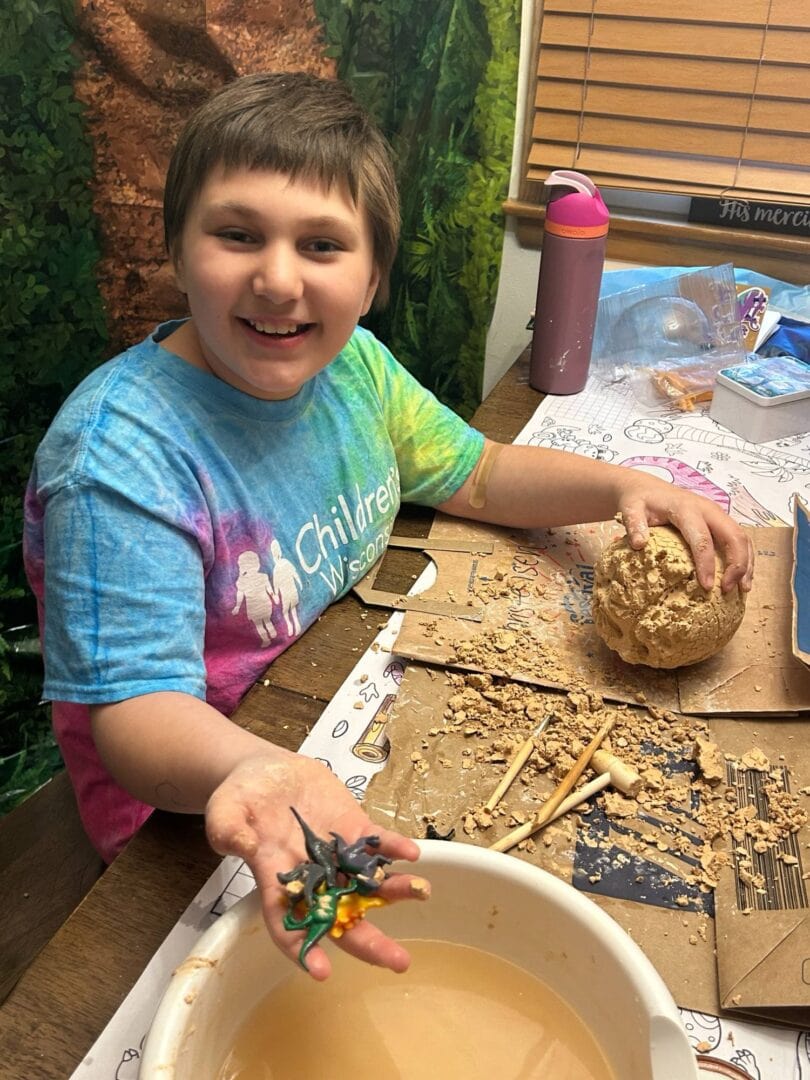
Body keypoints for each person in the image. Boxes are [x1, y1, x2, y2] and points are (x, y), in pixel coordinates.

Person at [23, 72, 754, 981]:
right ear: (178, 247)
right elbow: (133, 718)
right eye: (237, 233)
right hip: (192, 806)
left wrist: (627, 488)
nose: (278, 277)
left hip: (327, 697)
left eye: (321, 245)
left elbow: (479, 473)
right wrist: (263, 774)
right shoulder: (120, 460)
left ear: (370, 281)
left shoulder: (354, 371)